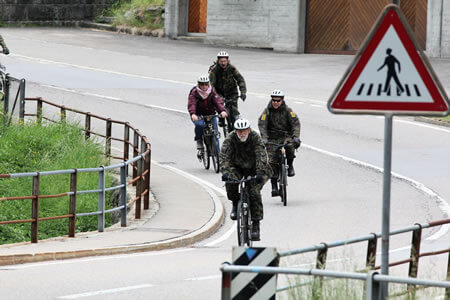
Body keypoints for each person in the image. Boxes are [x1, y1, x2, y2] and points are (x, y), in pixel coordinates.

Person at [220, 118, 272, 241]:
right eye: (239, 131)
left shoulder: (255, 137)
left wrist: (260, 172)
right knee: (231, 181)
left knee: (254, 192)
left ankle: (255, 224)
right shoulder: (230, 139)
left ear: (248, 130)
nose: (242, 133)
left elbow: (261, 155)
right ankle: (234, 203)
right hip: (237, 167)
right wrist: (225, 172)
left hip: (254, 169)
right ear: (235, 131)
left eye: (244, 131)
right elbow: (224, 157)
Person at [258, 89, 301, 196]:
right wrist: (264, 138)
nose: (275, 102)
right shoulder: (267, 111)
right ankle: (274, 186)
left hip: (286, 136)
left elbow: (295, 124)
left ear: (282, 100)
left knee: (290, 147)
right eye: (274, 100)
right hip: (272, 138)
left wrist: (295, 137)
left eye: (278, 100)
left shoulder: (288, 110)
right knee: (272, 161)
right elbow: (262, 124)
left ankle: (290, 165)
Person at [188, 75, 228, 151]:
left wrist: (222, 111)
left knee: (215, 134)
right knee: (200, 125)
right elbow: (192, 104)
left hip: (210, 114)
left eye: (206, 84)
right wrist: (193, 114)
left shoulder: (212, 92)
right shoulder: (194, 93)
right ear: (199, 84)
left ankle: (218, 156)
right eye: (202, 84)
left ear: (208, 84)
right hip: (198, 115)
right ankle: (199, 139)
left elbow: (218, 102)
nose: (204, 86)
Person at [209, 51, 246, 131]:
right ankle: (221, 119)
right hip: (220, 92)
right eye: (221, 61)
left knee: (234, 109)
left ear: (227, 61)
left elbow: (240, 79)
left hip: (232, 92)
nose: (223, 63)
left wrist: (243, 92)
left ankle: (237, 123)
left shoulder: (232, 68)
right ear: (218, 61)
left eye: (224, 61)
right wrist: (215, 95)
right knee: (220, 104)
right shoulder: (214, 70)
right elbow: (211, 84)